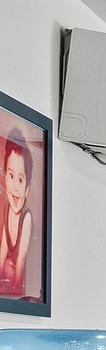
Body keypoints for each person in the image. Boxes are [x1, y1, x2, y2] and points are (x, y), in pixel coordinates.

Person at [0, 127, 36, 299]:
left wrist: (15, 292)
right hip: (8, 279)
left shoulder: (26, 217)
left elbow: (20, 260)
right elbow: (3, 248)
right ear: (5, 179)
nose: (14, 186)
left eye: (20, 180)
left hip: (19, 281)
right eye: (11, 176)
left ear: (27, 189)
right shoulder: (6, 209)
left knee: (13, 266)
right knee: (6, 264)